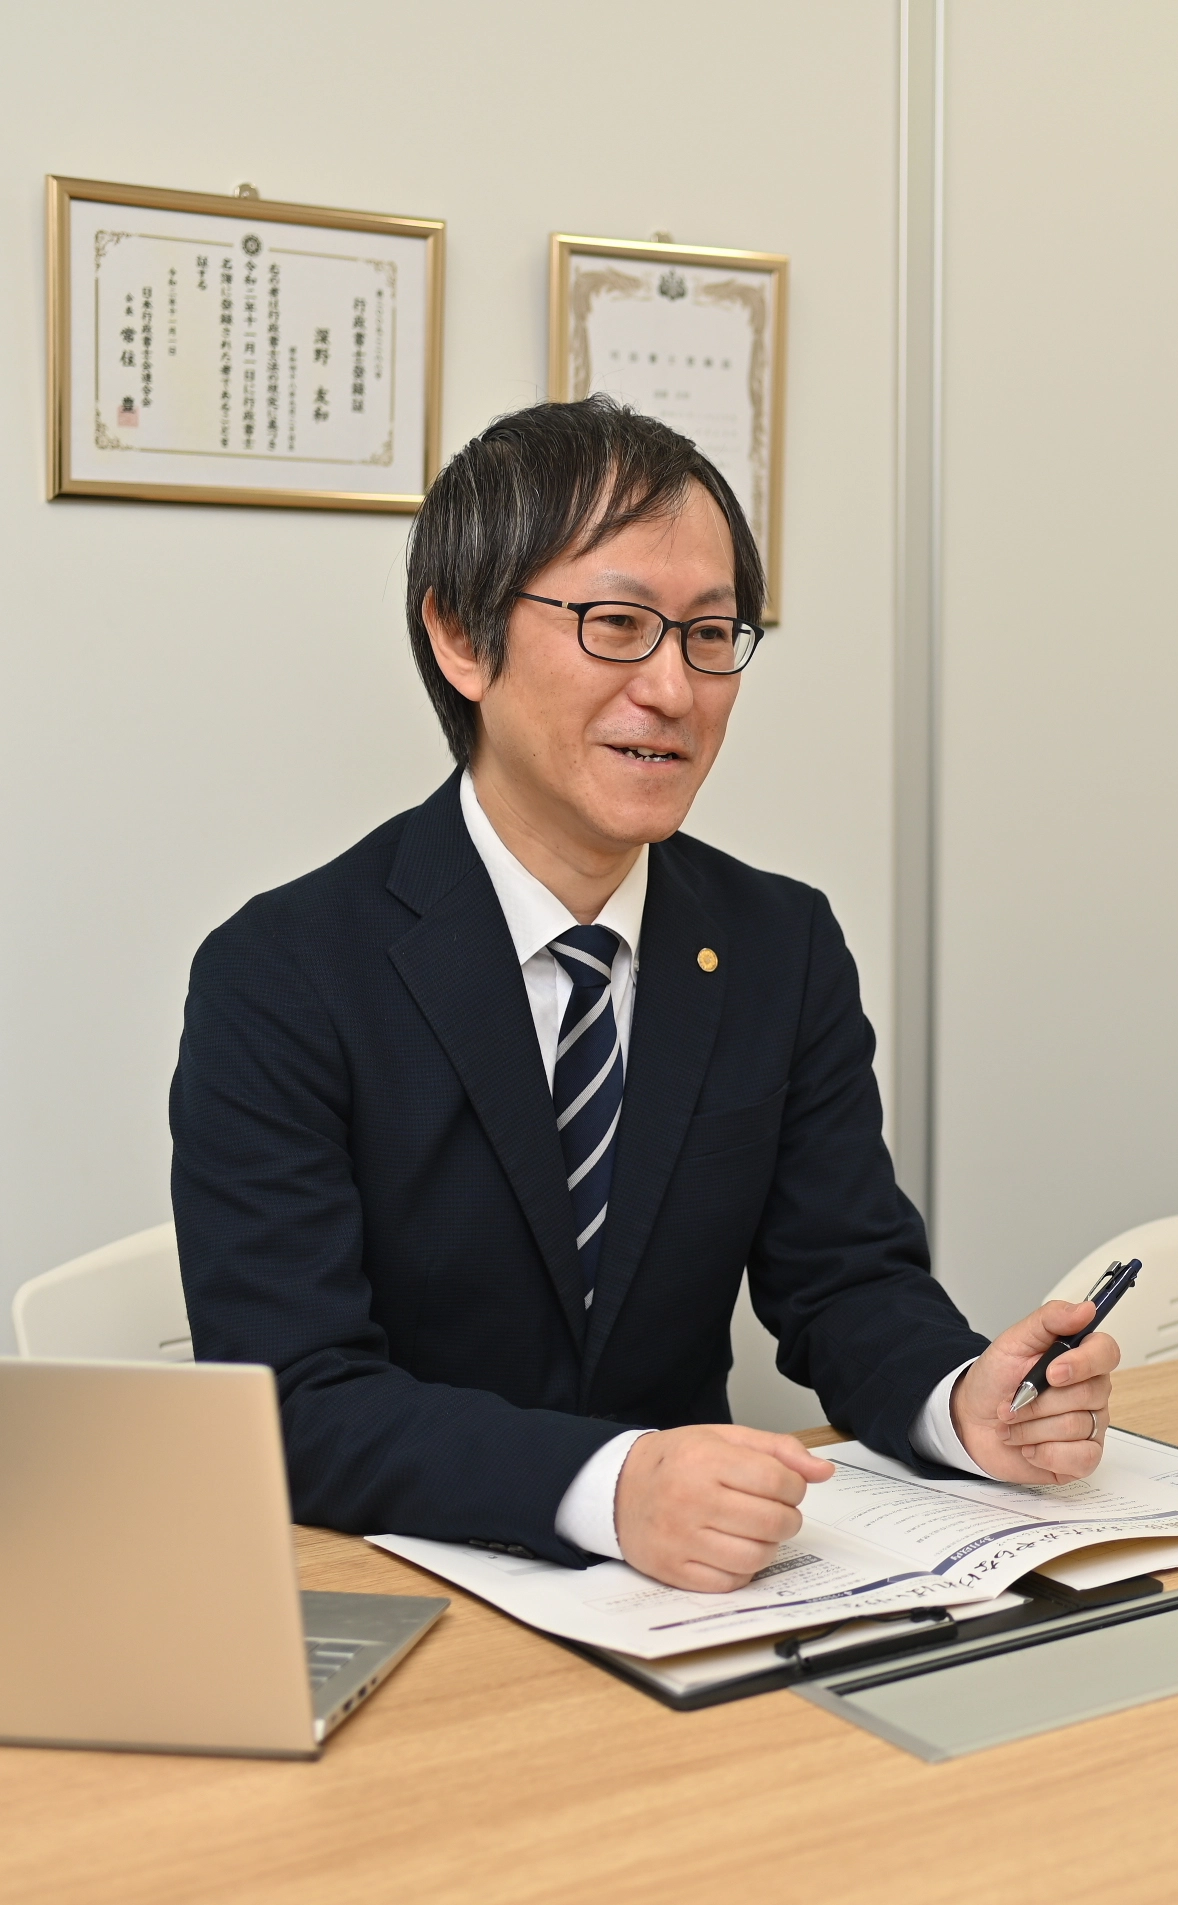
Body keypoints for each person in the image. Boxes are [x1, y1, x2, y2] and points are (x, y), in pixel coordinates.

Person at [170, 399, 1118, 1592]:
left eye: (712, 633)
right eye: (617, 624)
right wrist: (613, 1487)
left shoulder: (779, 943)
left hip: (701, 1602)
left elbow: (844, 1279)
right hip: (408, 1586)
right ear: (463, 640)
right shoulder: (286, 973)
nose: (674, 688)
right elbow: (294, 1396)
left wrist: (958, 1399)